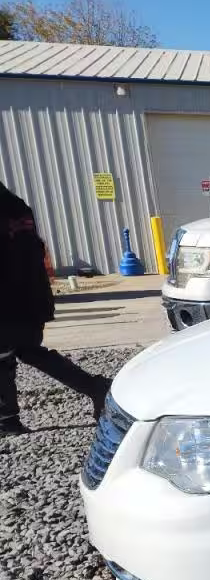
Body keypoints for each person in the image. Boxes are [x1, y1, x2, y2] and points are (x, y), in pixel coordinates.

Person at [0, 181, 111, 436]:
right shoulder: (16, 206)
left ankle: (7, 421)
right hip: (29, 295)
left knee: (6, 357)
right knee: (27, 350)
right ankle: (96, 388)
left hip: (9, 298)